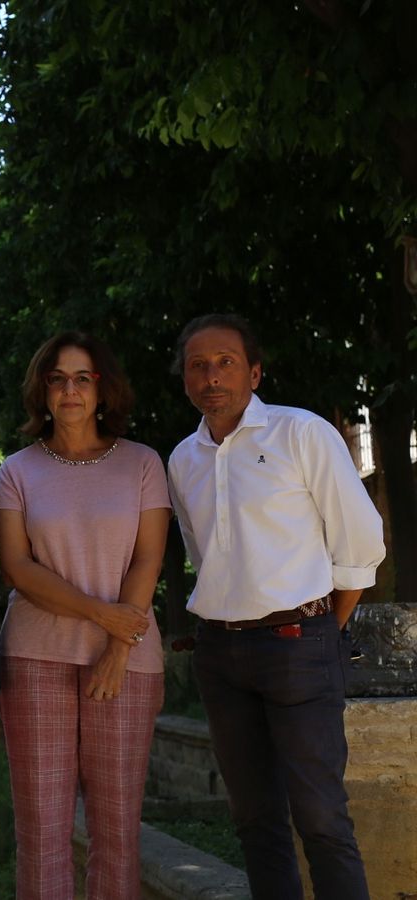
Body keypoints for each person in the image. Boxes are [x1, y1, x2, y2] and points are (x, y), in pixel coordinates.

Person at [167, 313, 384, 900]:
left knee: (320, 818)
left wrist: (322, 629)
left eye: (226, 362)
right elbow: (200, 552)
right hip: (220, 655)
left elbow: (360, 541)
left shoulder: (302, 433)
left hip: (299, 645)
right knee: (255, 820)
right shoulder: (182, 459)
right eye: (198, 365)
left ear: (254, 372)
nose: (212, 376)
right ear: (185, 379)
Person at [0, 333, 170, 899]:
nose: (70, 390)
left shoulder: (142, 463)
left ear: (102, 389)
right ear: (42, 391)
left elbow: (148, 558)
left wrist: (118, 647)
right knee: (42, 833)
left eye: (82, 378)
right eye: (57, 378)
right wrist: (104, 616)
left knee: (117, 834)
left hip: (126, 662)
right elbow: (17, 567)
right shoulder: (16, 470)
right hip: (32, 657)